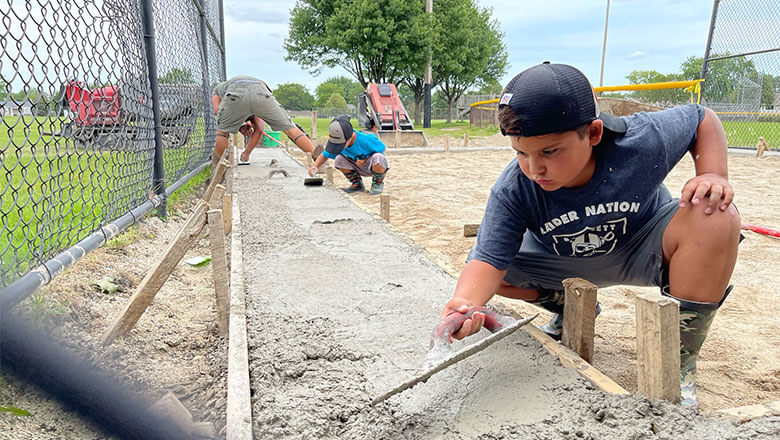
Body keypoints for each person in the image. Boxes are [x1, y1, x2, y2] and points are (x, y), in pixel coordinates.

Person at [439, 62, 741, 408]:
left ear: (594, 133)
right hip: (562, 263)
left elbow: (702, 117)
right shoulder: (515, 187)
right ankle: (568, 306)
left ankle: (679, 362)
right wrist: (464, 305)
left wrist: (713, 173)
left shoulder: (642, 140)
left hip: (642, 246)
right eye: (521, 153)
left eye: (549, 151)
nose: (534, 168)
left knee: (715, 212)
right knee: (489, 272)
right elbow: (487, 260)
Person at [211, 75, 317, 166]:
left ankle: (222, 168)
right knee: (290, 128)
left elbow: (216, 111)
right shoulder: (257, 84)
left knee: (221, 132)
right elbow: (260, 128)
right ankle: (319, 159)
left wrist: (238, 124)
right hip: (261, 93)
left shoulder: (218, 89)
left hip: (235, 94)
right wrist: (246, 153)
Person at [308, 115, 389, 195]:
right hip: (355, 166)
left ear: (351, 136)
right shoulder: (339, 140)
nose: (339, 147)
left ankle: (377, 183)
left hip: (371, 165)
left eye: (341, 144)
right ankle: (357, 184)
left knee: (379, 157)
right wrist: (315, 165)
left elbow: (383, 149)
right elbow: (325, 155)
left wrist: (365, 160)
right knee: (338, 160)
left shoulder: (366, 139)